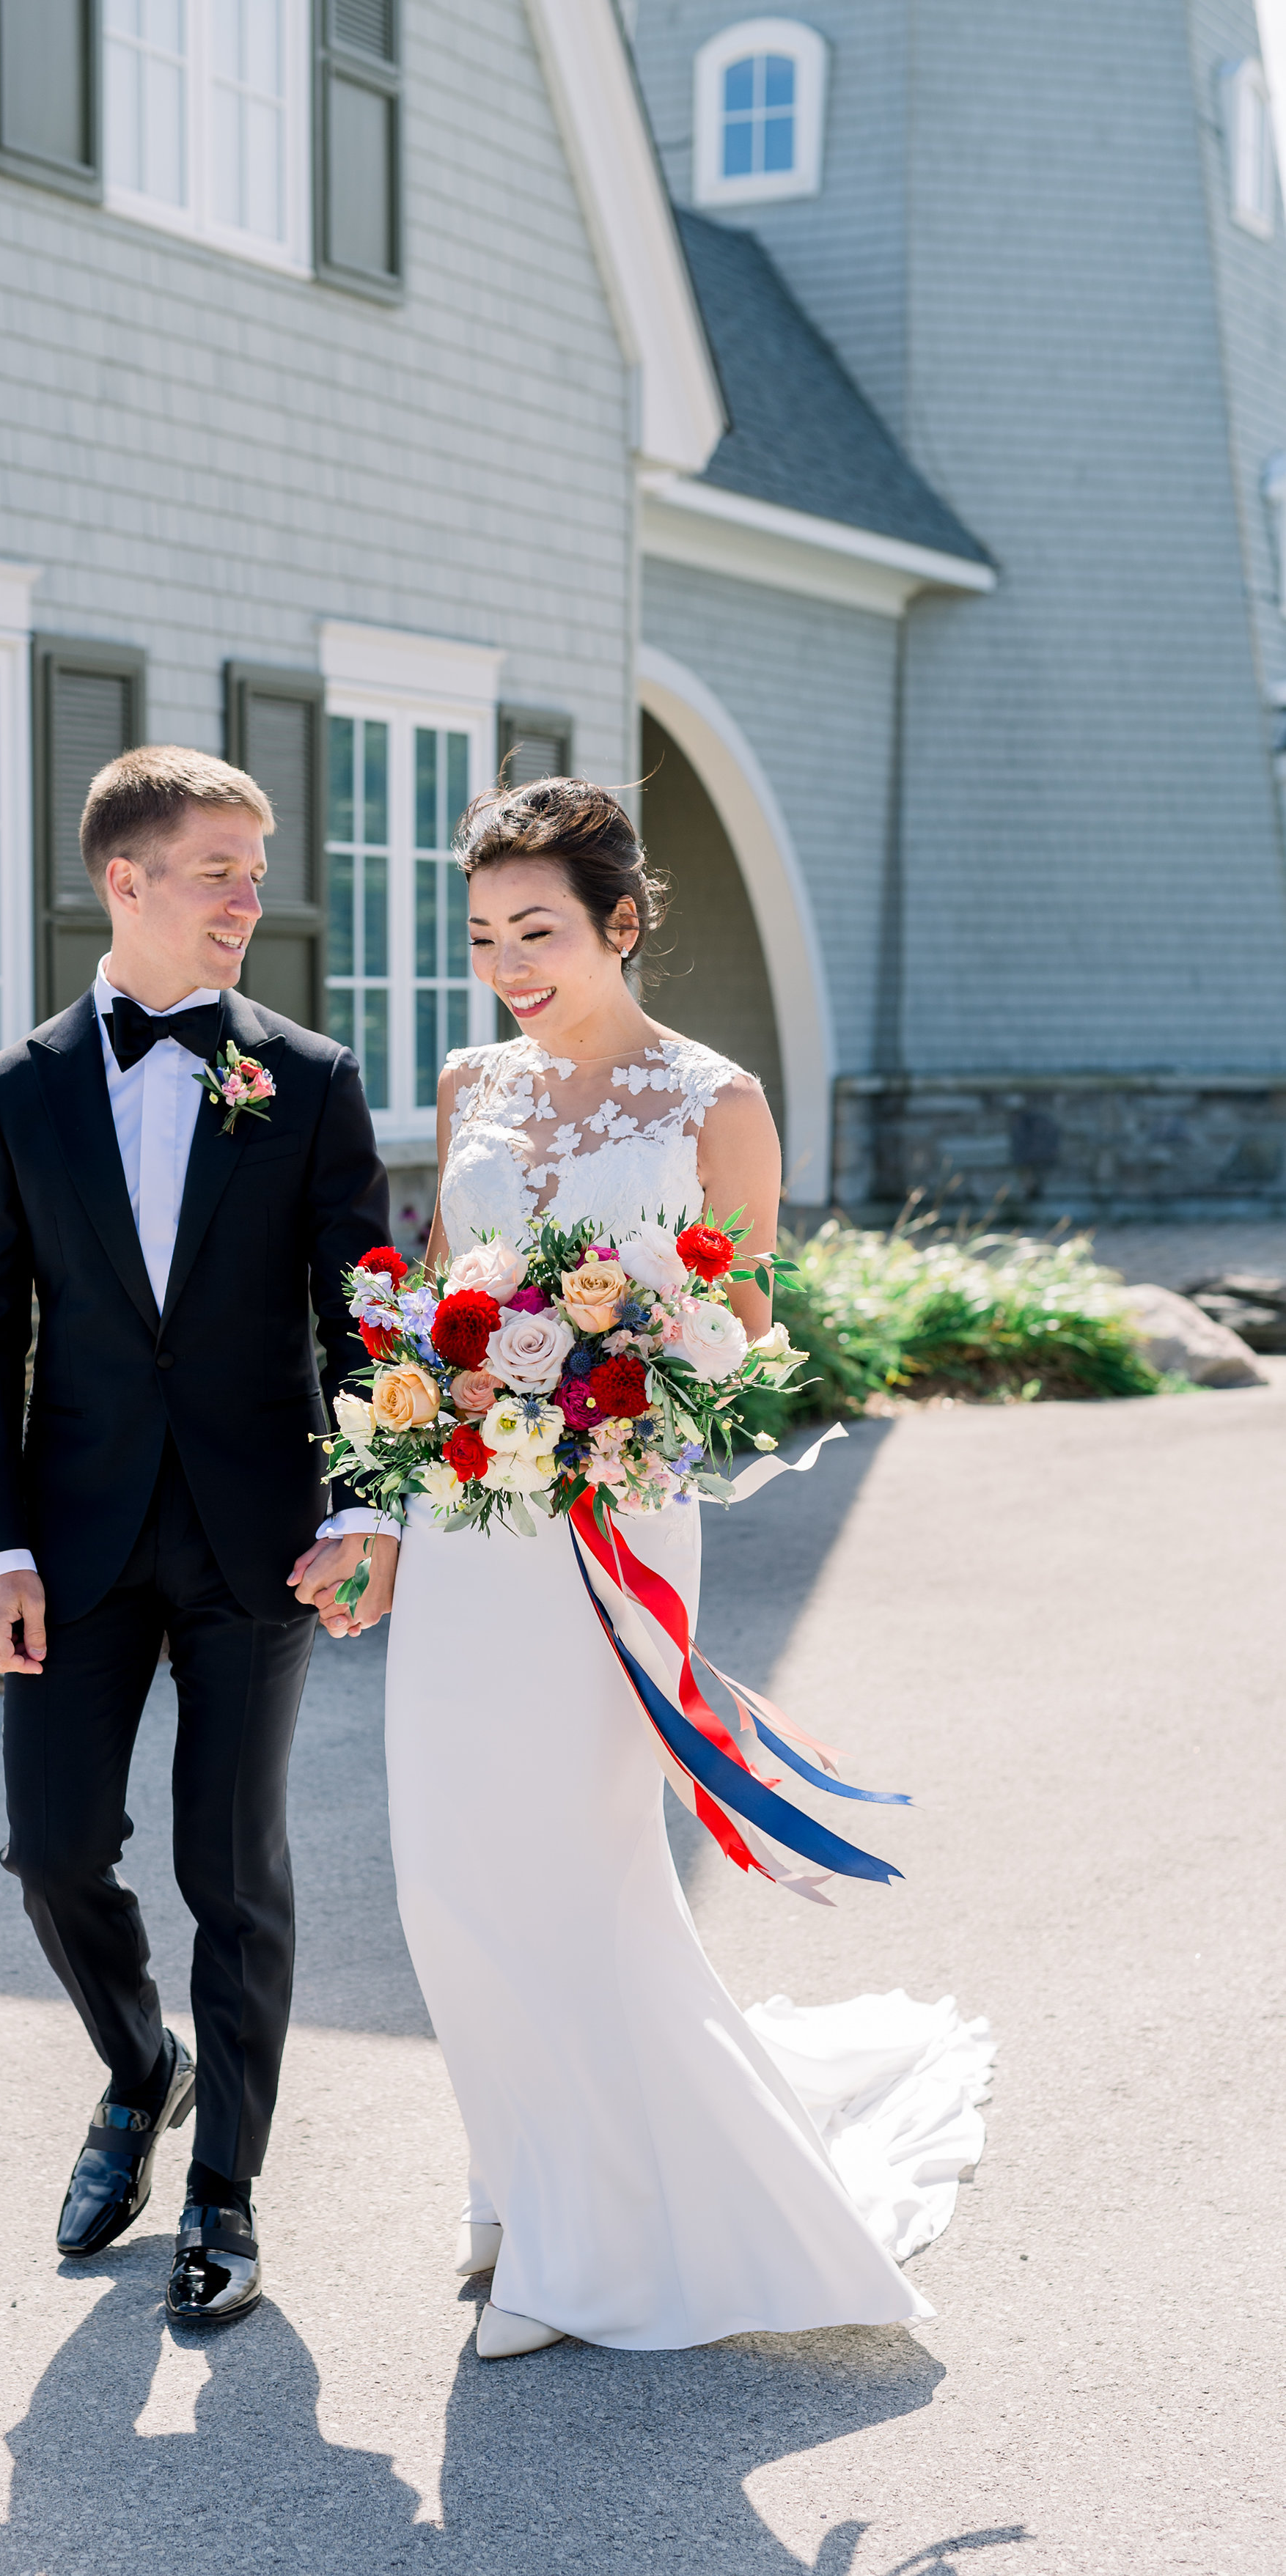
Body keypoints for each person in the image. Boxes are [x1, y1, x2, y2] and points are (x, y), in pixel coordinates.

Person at [343, 776, 991, 2360]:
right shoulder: (469, 1083)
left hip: (617, 1514)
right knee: (446, 1863)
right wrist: (449, 1393)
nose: (509, 960)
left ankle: (596, 2238)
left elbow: (747, 1335)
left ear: (619, 924)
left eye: (541, 929)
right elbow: (441, 1288)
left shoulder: (714, 1101)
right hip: (470, 1510)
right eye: (487, 931)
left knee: (573, 1860)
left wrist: (615, 1367)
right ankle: (510, 2172)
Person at [0, 746, 397, 2328]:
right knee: (53, 1852)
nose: (247, 900)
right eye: (218, 869)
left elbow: (366, 1316)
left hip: (260, 1535)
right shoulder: (15, 1096)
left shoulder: (309, 1079)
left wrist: (365, 1500)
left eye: (255, 871)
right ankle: (142, 2071)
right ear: (124, 880)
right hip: (69, 1543)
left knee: (235, 1869)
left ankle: (226, 2196)